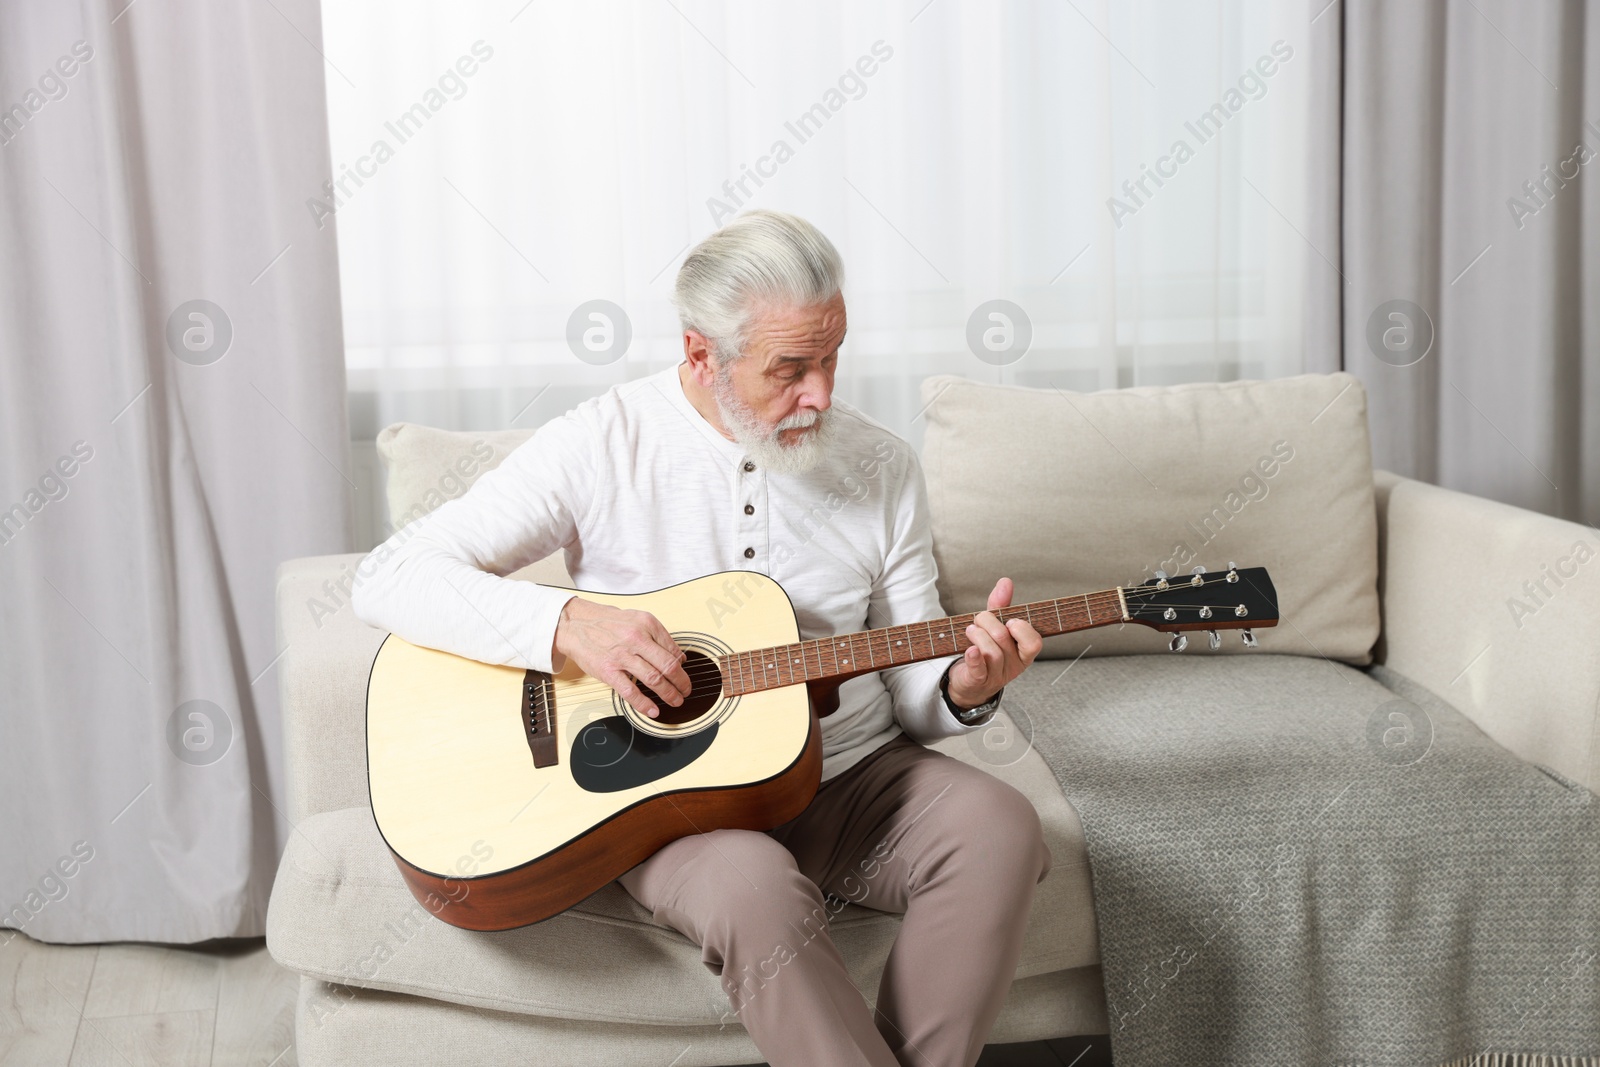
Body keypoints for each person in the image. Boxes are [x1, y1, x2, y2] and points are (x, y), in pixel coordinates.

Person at [351, 209, 1051, 1067]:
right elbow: (388, 574)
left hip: (851, 773)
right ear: (699, 355)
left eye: (831, 358)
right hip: (675, 804)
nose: (822, 394)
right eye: (789, 369)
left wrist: (962, 688)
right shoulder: (600, 442)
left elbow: (912, 671)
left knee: (1001, 827)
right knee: (755, 893)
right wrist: (567, 621)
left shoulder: (882, 464)